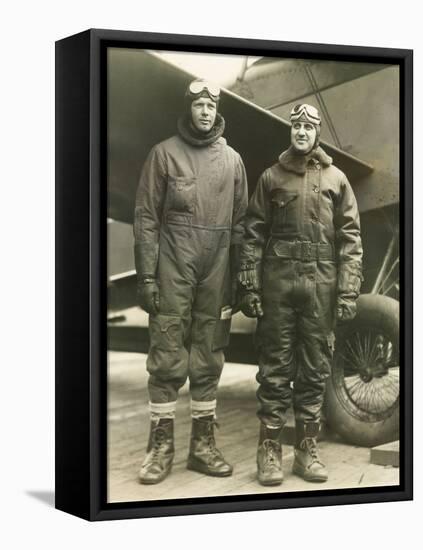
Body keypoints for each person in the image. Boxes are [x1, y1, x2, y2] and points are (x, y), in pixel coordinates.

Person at [238, 104, 362, 486]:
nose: (302, 132)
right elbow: (253, 233)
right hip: (279, 285)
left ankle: (306, 450)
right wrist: (249, 285)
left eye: (308, 127)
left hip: (321, 287)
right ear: (290, 132)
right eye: (297, 127)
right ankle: (269, 450)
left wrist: (348, 291)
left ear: (317, 132)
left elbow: (351, 239)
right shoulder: (272, 177)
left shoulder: (337, 180)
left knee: (314, 369)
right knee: (274, 370)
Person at [134, 79, 248, 484]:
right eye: (198, 104)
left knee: (209, 354)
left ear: (217, 111)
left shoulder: (233, 161)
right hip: (173, 269)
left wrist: (240, 278)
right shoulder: (163, 155)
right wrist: (147, 275)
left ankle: (202, 446)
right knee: (166, 355)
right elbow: (146, 219)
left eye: (210, 105)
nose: (204, 111)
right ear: (189, 108)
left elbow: (240, 225)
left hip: (216, 271)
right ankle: (159, 448)